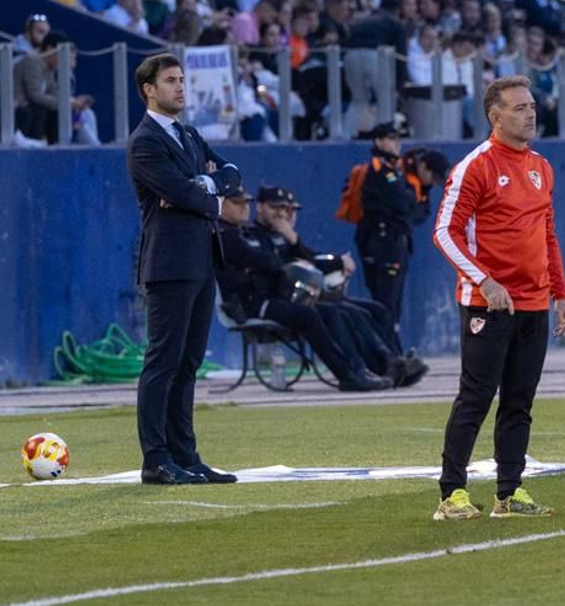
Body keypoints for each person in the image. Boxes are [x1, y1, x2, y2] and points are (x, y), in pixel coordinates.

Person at [431, 75, 565, 520]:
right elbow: (445, 232)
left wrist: (561, 294)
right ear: (495, 117)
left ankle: (508, 494)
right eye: (519, 108)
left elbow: (547, 234)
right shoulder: (476, 166)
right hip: (488, 303)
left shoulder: (541, 167)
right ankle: (451, 494)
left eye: (532, 106)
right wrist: (485, 281)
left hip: (533, 303)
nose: (531, 114)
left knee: (519, 401)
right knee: (475, 397)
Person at [126, 52, 249, 485]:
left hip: (200, 258)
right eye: (170, 80)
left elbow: (231, 173)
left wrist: (208, 184)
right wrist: (207, 197)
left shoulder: (190, 135)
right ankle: (155, 459)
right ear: (149, 90)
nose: (180, 87)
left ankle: (185, 455)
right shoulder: (145, 141)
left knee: (189, 362)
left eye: (181, 79)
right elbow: (181, 192)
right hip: (169, 262)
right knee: (163, 361)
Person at [215, 188, 407, 393]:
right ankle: (350, 373)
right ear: (222, 206)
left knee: (337, 311)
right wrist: (270, 264)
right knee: (310, 314)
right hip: (250, 303)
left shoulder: (245, 233)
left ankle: (365, 368)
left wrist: (276, 258)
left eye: (246, 202)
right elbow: (265, 261)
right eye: (237, 203)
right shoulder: (225, 235)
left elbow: (281, 263)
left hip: (274, 296)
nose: (244, 208)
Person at [356, 123, 428, 324]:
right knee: (385, 302)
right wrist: (411, 201)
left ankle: (390, 340)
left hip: (395, 241)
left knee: (393, 303)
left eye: (398, 138)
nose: (397, 143)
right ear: (378, 141)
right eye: (391, 138)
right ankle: (385, 342)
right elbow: (402, 202)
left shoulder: (395, 169)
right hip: (383, 243)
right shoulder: (380, 169)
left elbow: (411, 207)